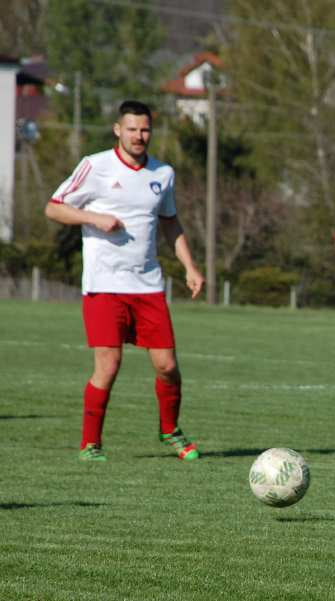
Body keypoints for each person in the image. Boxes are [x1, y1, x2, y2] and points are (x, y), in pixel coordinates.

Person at [45, 100, 204, 462]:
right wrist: (93, 217)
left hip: (147, 286)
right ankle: (91, 444)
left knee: (167, 366)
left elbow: (170, 223)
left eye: (145, 129)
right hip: (104, 285)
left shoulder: (162, 174)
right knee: (108, 365)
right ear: (118, 130)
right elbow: (53, 207)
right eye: (131, 129)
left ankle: (170, 431)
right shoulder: (94, 166)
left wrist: (190, 267)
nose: (139, 136)